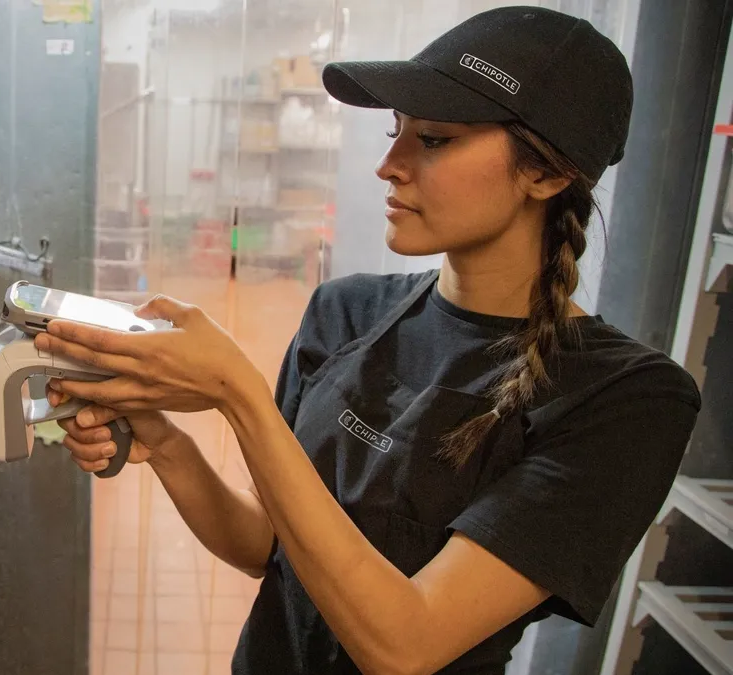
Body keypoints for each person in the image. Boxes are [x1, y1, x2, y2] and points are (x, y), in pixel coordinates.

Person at [38, 6, 701, 674]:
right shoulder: (346, 310)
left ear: (546, 175)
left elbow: (405, 643)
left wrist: (236, 394)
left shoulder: (626, 397)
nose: (389, 165)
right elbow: (267, 542)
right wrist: (171, 445)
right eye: (395, 132)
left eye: (435, 139)